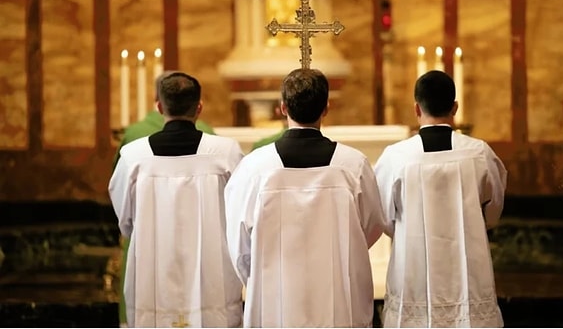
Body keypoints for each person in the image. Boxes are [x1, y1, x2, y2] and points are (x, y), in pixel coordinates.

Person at [224, 68, 385, 328]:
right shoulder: (352, 165)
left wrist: (261, 277)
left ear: (283, 108)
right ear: (326, 108)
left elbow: (238, 243)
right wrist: (341, 250)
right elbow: (371, 227)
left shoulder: (255, 168)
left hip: (274, 300)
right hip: (339, 299)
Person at [109, 71, 244, 327]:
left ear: (159, 107)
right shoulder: (226, 153)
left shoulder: (133, 157)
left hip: (154, 271)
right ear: (199, 108)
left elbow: (125, 219)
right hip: (212, 273)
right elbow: (242, 210)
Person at [374, 70, 507, 327]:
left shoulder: (396, 156)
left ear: (416, 108)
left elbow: (382, 215)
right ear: (455, 107)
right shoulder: (478, 153)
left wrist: (406, 231)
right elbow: (494, 207)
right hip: (468, 267)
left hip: (413, 266)